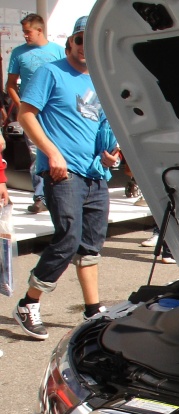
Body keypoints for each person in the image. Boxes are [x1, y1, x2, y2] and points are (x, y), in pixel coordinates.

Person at [12, 16, 118, 341]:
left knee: (91, 245)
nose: (85, 46)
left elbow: (102, 128)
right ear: (70, 41)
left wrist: (110, 154)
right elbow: (25, 114)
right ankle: (28, 304)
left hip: (94, 173)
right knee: (68, 238)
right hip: (62, 171)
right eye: (80, 39)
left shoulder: (101, 81)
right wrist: (52, 153)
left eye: (91, 40)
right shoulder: (51, 72)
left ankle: (92, 310)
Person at [6, 13, 65, 215]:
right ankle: (40, 197)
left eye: (28, 32)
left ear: (40, 30)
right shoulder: (18, 53)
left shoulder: (58, 51)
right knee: (35, 153)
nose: (25, 35)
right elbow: (10, 85)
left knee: (58, 150)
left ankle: (59, 192)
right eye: (23, 32)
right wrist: (21, 107)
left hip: (56, 112)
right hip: (31, 113)